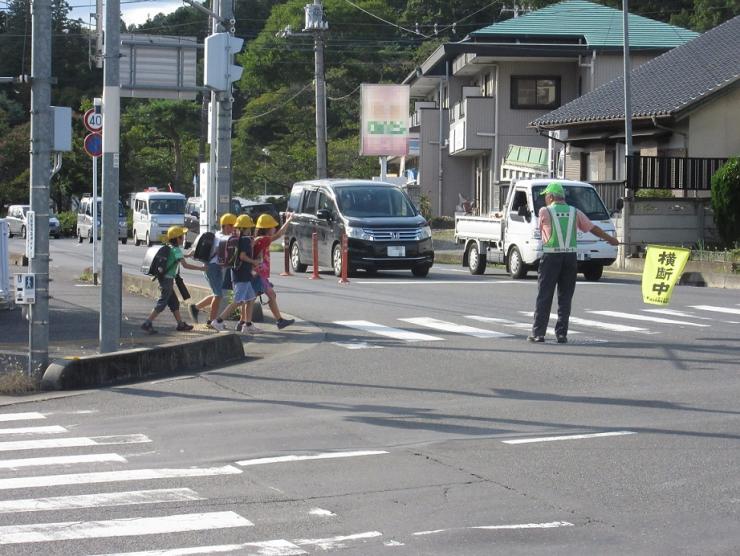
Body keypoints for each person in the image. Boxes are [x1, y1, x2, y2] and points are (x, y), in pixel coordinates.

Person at [528, 182, 619, 344]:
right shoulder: (574, 212)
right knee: (565, 297)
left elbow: (540, 230)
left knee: (544, 295)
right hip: (570, 258)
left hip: (551, 257)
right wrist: (610, 239)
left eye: (546, 197)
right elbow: (592, 228)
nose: (545, 200)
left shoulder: (545, 211)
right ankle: (561, 334)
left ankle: (538, 333)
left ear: (550, 197)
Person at [142, 226, 205, 334]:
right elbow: (185, 265)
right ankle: (147, 323)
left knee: (174, 303)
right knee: (162, 303)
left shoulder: (171, 248)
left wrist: (188, 255)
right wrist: (201, 268)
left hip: (165, 279)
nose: (183, 238)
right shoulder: (176, 250)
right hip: (167, 281)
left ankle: (180, 324)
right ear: (177, 239)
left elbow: (178, 256)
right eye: (181, 237)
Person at [210, 215, 262, 333]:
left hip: (241, 274)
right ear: (246, 227)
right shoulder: (245, 240)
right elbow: (242, 256)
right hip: (242, 275)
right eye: (249, 227)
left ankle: (247, 325)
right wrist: (254, 261)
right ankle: (218, 321)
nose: (251, 229)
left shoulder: (239, 238)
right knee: (238, 301)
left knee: (251, 298)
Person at [189, 213, 237, 329]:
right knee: (218, 295)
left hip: (215, 268)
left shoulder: (218, 235)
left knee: (217, 293)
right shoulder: (222, 238)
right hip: (212, 268)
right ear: (225, 226)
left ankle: (195, 308)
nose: (234, 228)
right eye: (232, 226)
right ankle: (211, 321)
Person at [252, 213, 294, 330]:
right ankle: (243, 322)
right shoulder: (263, 239)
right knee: (265, 296)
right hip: (259, 275)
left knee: (254, 298)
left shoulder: (260, 239)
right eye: (272, 227)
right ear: (266, 228)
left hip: (259, 274)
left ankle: (243, 322)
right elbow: (279, 234)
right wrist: (289, 220)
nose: (274, 229)